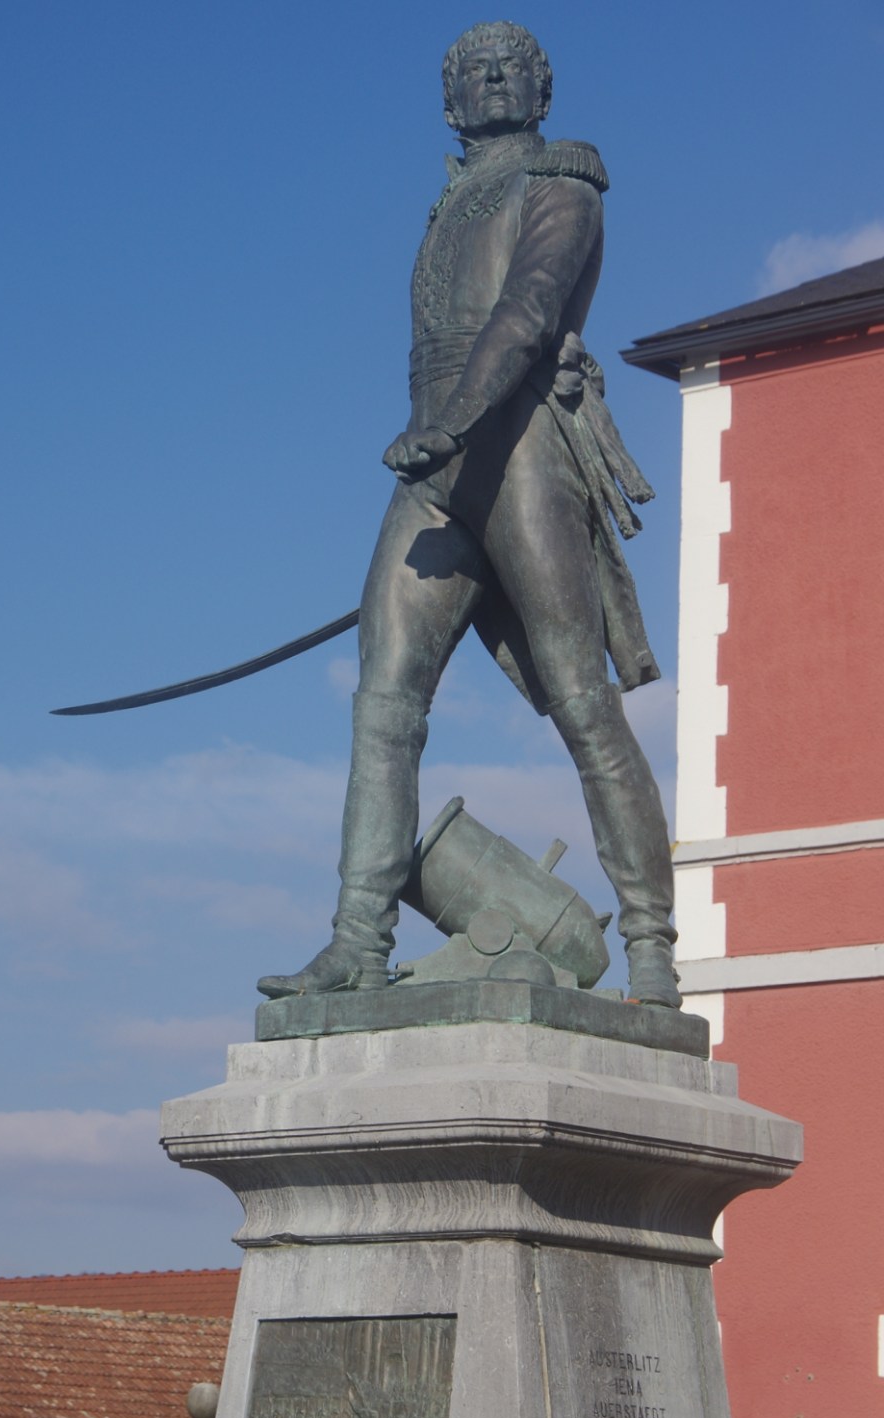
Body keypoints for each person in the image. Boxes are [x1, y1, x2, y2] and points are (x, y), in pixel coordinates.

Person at [258, 21, 680, 1009]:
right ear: (451, 100)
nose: (493, 79)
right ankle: (357, 941)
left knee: (582, 703)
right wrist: (436, 438)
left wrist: (451, 423)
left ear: (541, 91)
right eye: (474, 71)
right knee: (382, 701)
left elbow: (527, 310)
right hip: (432, 466)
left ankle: (652, 947)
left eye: (511, 68)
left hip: (516, 447)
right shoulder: (449, 199)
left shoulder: (564, 180)